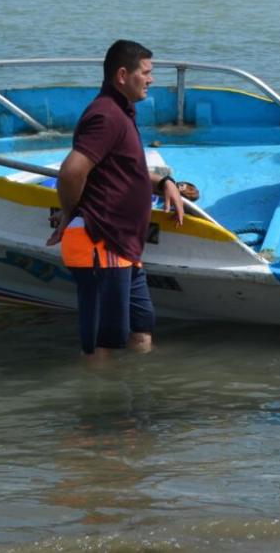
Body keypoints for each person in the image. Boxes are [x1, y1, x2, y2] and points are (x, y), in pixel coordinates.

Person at [47, 39, 186, 361]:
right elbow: (71, 172)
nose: (151, 80)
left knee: (141, 330)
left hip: (124, 246)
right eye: (146, 73)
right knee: (102, 343)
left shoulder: (122, 111)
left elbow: (121, 170)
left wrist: (163, 182)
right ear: (123, 75)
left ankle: (134, 404)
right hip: (101, 242)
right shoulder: (106, 116)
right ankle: (104, 409)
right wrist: (70, 213)